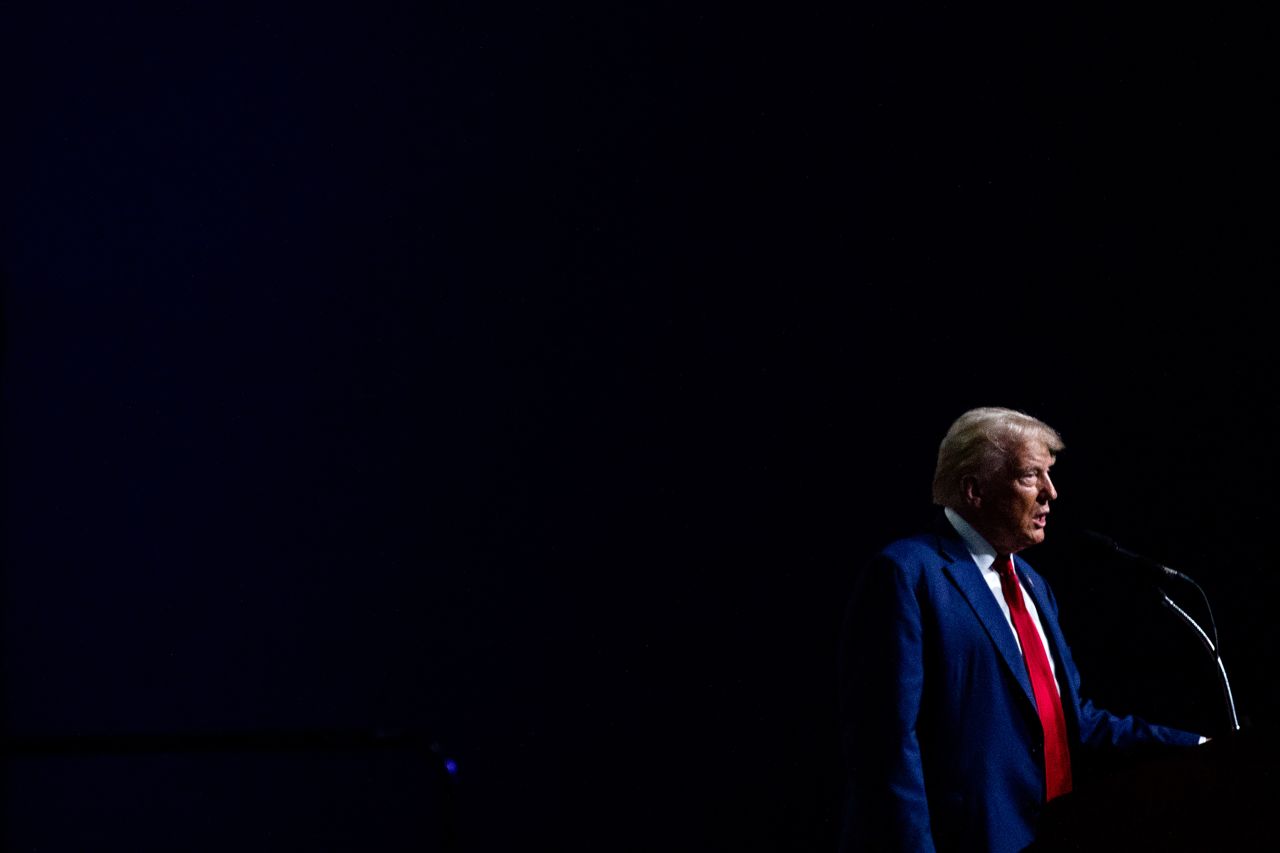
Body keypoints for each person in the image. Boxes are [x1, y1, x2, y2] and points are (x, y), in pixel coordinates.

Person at [838, 407, 1204, 853]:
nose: (1051, 493)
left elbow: (1071, 723)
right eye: (1032, 476)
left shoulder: (1034, 585)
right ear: (974, 490)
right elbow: (889, 746)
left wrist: (1200, 747)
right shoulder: (908, 574)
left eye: (1049, 476)